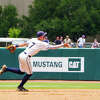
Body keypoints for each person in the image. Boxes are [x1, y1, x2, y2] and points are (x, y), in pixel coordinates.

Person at [0, 31, 66, 92]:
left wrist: (15, 45)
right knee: (30, 73)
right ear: (40, 37)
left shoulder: (33, 39)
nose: (44, 37)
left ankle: (6, 69)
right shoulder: (42, 43)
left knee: (22, 71)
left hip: (21, 55)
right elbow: (53, 47)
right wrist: (62, 45)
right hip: (26, 57)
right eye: (43, 36)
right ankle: (20, 87)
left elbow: (25, 44)